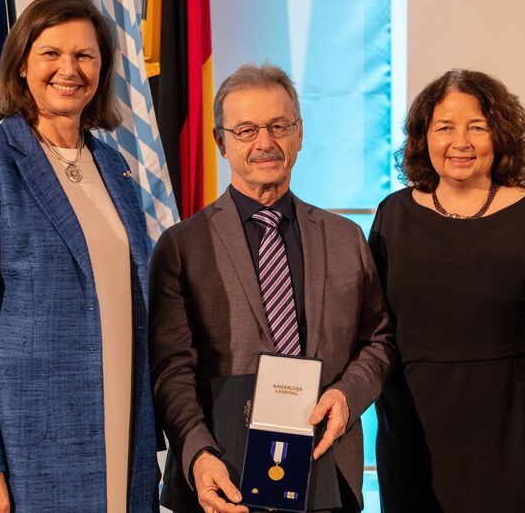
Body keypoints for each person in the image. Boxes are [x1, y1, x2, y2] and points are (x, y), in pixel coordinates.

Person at [149, 63, 395, 513]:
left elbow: (378, 342)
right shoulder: (181, 246)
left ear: (299, 133)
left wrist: (347, 396)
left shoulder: (346, 239)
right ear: (220, 141)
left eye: (279, 126)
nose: (265, 143)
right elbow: (171, 371)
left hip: (326, 470)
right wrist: (199, 454)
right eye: (245, 130)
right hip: (224, 478)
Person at [0, 0, 159, 512]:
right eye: (51, 53)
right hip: (31, 450)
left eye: (85, 56)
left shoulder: (115, 169)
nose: (70, 69)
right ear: (21, 65)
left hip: (123, 432)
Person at [369, 69, 525, 512]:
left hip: (513, 431)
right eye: (444, 127)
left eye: (477, 127)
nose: (460, 142)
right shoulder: (393, 215)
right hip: (413, 431)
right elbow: (373, 327)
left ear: (499, 134)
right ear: (423, 137)